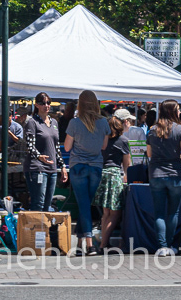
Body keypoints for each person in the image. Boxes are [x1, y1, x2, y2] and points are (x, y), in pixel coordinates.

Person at [145, 101, 181, 257]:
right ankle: (170, 245)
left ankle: (161, 246)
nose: (180, 111)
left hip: (156, 174)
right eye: (178, 109)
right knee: (173, 212)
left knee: (159, 212)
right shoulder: (180, 129)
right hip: (174, 174)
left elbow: (149, 154)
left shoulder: (152, 130)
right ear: (174, 111)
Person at [62, 90, 106, 253]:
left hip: (78, 166)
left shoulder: (74, 123)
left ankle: (89, 244)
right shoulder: (103, 122)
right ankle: (81, 243)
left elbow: (66, 147)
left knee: (84, 204)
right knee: (85, 203)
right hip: (95, 167)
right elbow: (103, 146)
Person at [95, 112, 130, 252]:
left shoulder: (101, 139)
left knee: (106, 213)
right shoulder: (123, 140)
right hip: (114, 175)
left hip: (102, 175)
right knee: (115, 213)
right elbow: (127, 164)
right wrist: (127, 177)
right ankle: (104, 244)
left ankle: (104, 243)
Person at [23, 92, 60, 212]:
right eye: (42, 103)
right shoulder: (32, 122)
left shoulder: (54, 122)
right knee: (38, 203)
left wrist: (62, 166)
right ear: (36, 105)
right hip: (37, 168)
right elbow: (29, 145)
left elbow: (56, 146)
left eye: (48, 103)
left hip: (52, 168)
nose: (46, 105)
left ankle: (44, 230)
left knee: (47, 205)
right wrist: (39, 157)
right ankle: (36, 230)